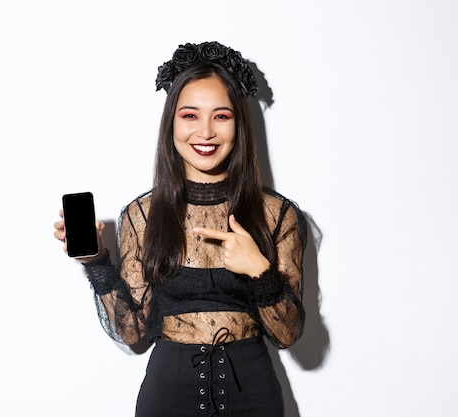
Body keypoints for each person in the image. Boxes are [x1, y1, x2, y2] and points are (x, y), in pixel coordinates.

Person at [53, 41, 307, 417]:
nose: (205, 132)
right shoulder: (142, 214)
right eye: (190, 115)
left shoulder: (276, 214)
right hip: (167, 396)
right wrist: (97, 262)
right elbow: (133, 331)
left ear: (239, 124)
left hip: (253, 396)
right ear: (171, 121)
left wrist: (259, 270)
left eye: (221, 116)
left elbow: (287, 335)